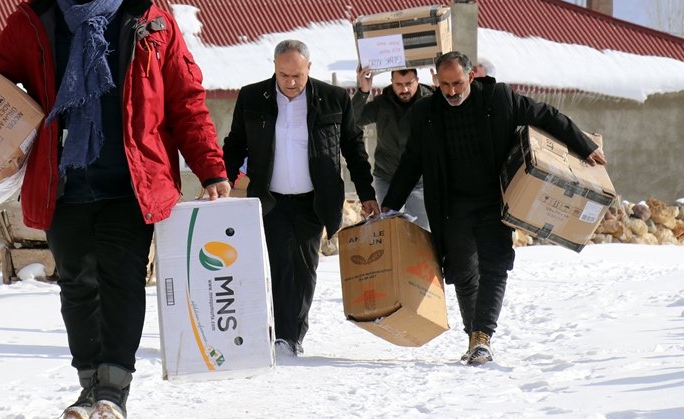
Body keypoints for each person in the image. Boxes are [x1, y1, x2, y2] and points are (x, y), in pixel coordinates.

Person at [0, 0, 230, 419]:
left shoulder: (150, 21)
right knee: (78, 284)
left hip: (133, 182)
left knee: (121, 280)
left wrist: (211, 170)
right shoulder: (35, 21)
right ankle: (89, 388)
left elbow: (186, 102)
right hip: (62, 181)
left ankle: (114, 393)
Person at [372, 50, 605, 366]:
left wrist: (584, 144)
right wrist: (388, 207)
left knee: (495, 266)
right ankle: (474, 337)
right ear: (435, 80)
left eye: (457, 83)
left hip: (493, 202)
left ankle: (482, 337)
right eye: (445, 85)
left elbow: (546, 115)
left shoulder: (499, 98)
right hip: (451, 206)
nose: (452, 91)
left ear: (471, 76)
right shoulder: (425, 112)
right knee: (463, 272)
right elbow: (412, 162)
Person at [223, 40, 375, 357]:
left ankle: (295, 332)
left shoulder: (333, 99)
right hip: (271, 199)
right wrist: (219, 180)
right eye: (283, 75)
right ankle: (284, 336)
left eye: (297, 75)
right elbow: (235, 144)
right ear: (275, 69)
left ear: (309, 68)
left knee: (305, 267)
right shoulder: (253, 97)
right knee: (281, 263)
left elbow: (354, 149)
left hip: (314, 199)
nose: (291, 82)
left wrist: (367, 194)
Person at [353, 66, 433, 230]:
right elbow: (354, 120)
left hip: (419, 180)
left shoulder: (430, 101)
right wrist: (363, 91)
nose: (404, 89)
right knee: (389, 231)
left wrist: (442, 95)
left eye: (409, 83)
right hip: (387, 176)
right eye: (399, 84)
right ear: (391, 82)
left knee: (422, 233)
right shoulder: (383, 103)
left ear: (417, 80)